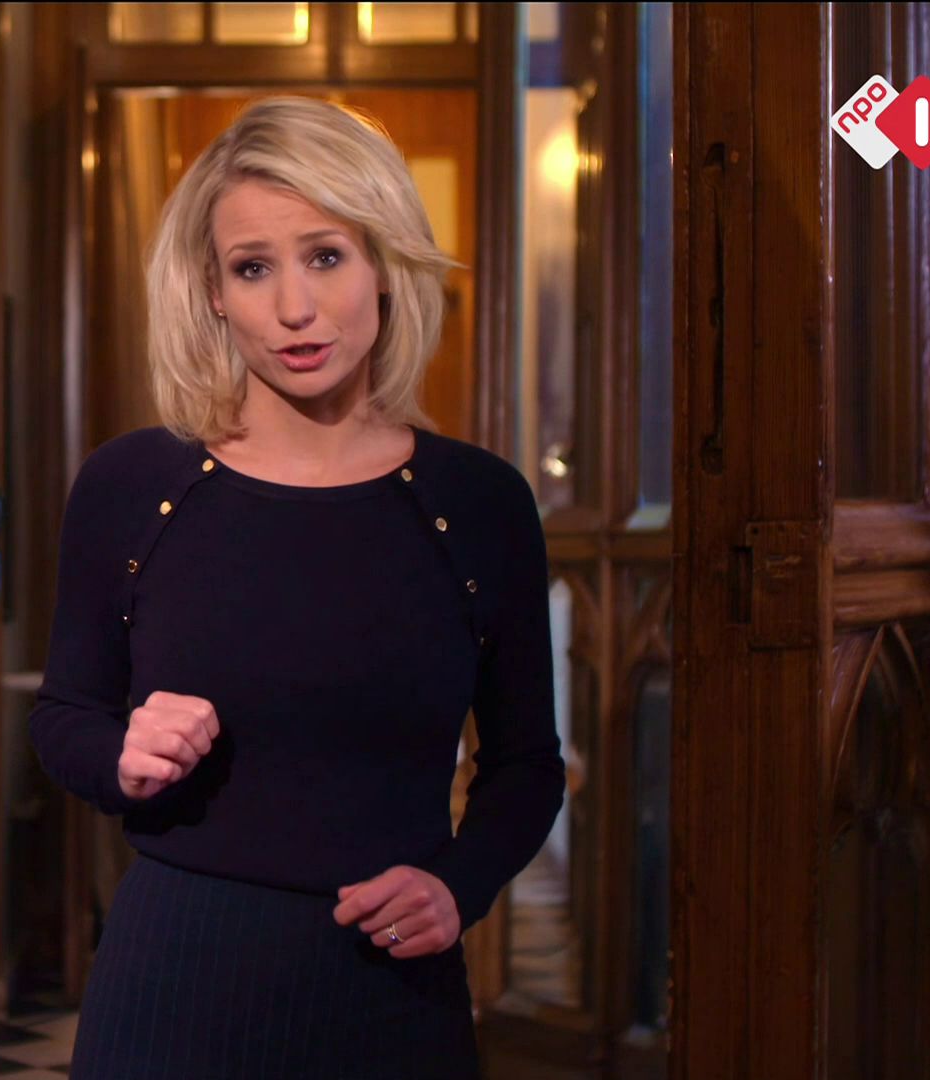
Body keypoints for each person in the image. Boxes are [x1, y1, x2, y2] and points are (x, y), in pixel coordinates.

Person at [28, 95, 565, 1080]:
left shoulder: (479, 503)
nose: (293, 309)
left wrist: (460, 885)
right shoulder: (131, 485)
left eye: (325, 256)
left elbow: (527, 764)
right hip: (175, 986)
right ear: (212, 291)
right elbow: (65, 716)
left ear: (385, 265)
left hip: (391, 995)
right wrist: (122, 755)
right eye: (252, 267)